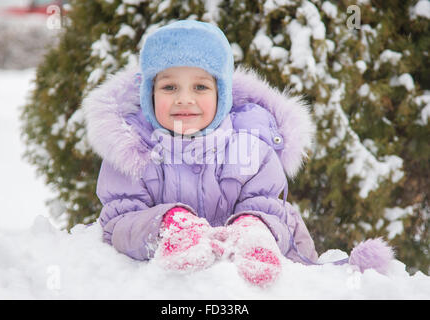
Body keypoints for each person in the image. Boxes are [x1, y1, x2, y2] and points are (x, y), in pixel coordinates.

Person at [83, 20, 393, 287]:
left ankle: (253, 239)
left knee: (272, 228)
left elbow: (271, 208)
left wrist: (253, 226)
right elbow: (117, 222)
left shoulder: (250, 144)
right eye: (169, 88)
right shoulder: (131, 149)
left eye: (200, 88)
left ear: (223, 94)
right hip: (169, 288)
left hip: (248, 276)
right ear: (149, 94)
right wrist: (167, 224)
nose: (184, 99)